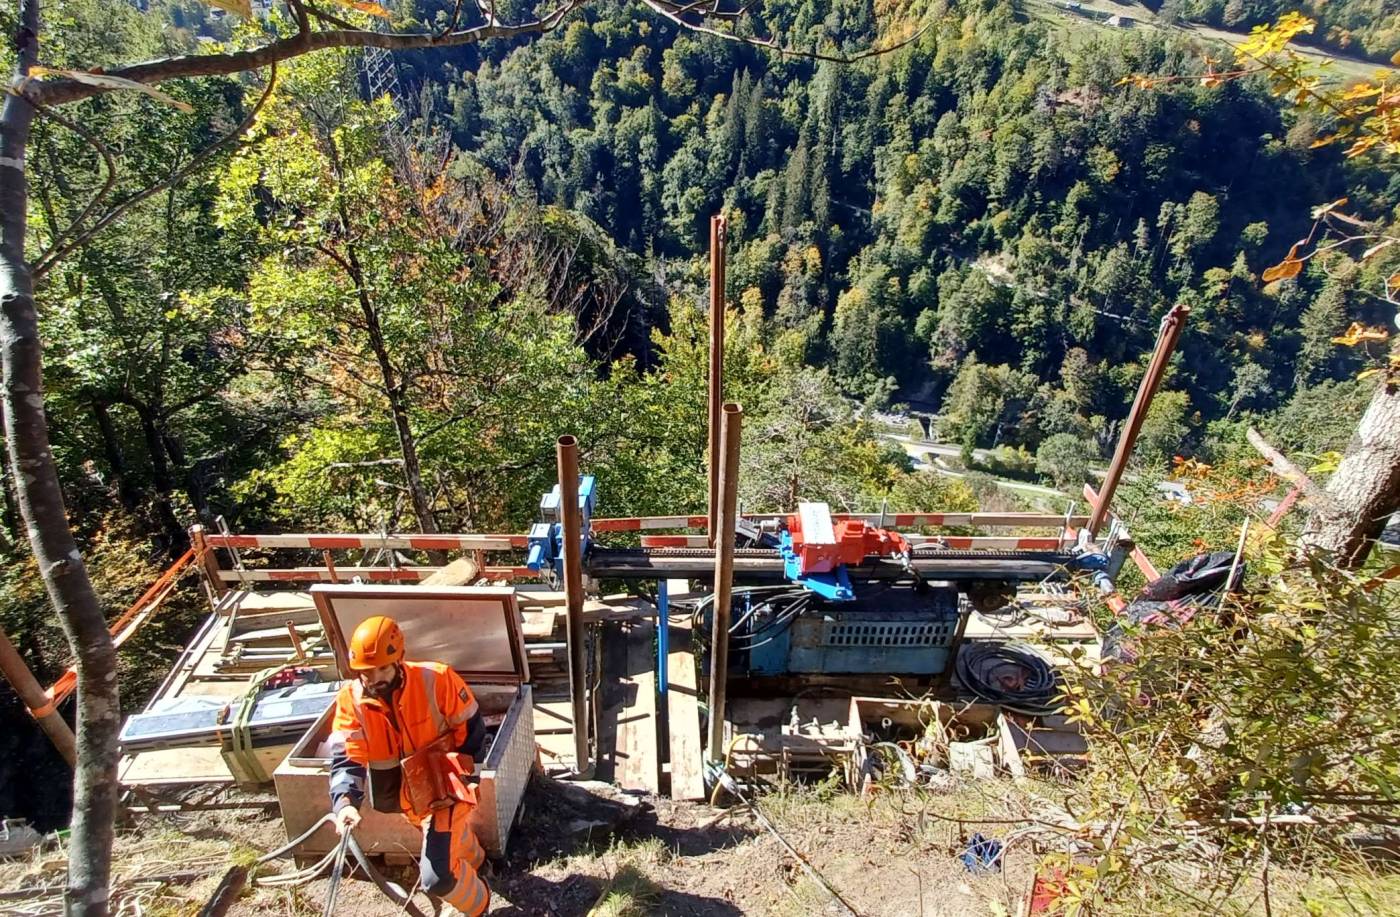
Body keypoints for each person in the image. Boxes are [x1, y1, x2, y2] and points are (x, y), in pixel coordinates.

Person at [328, 615, 491, 915]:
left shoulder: (437, 679)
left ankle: (481, 905)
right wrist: (346, 803)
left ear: (398, 660)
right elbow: (346, 757)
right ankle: (481, 862)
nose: (373, 678)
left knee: (438, 879)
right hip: (406, 798)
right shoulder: (350, 701)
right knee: (447, 839)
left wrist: (468, 781)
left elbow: (471, 731)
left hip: (446, 792)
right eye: (365, 670)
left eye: (381, 668)